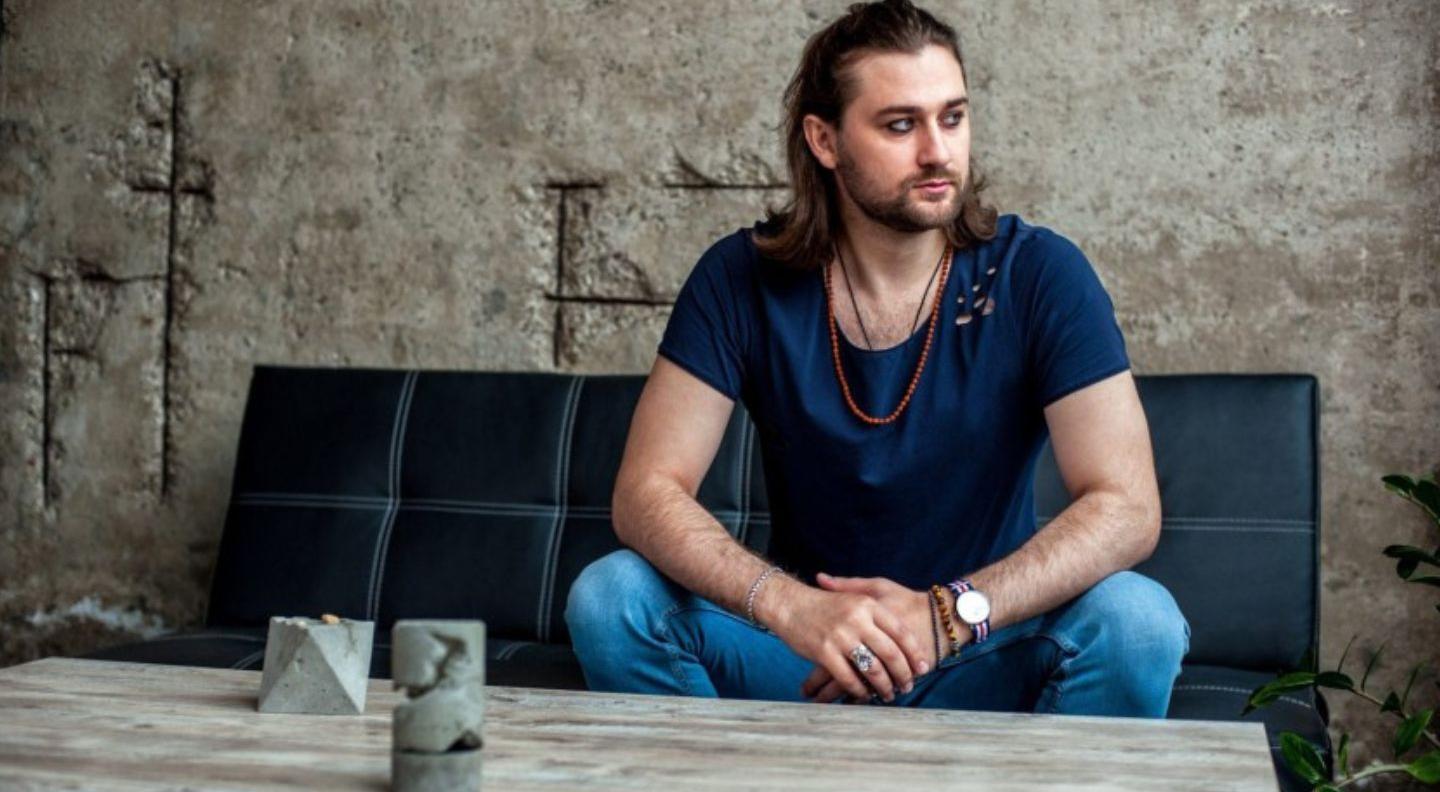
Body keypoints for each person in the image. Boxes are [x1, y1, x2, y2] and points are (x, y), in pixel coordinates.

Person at [564, 0, 1189, 716]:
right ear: (824, 140)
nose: (937, 152)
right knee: (613, 597)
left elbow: (1128, 507)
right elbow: (645, 493)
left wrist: (948, 615)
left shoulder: (1038, 273)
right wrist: (792, 609)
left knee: (1138, 621)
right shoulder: (740, 278)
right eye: (901, 125)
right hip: (805, 660)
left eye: (952, 118)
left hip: (981, 648)